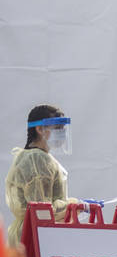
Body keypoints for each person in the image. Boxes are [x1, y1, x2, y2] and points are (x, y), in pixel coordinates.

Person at [5, 105, 78, 246]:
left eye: (63, 128)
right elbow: (42, 210)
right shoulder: (37, 159)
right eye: (57, 128)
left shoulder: (33, 156)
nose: (62, 132)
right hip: (36, 237)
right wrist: (75, 205)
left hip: (32, 234)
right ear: (39, 129)